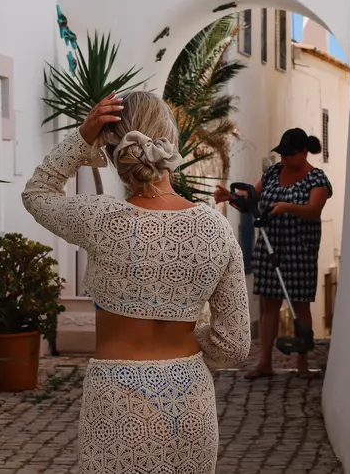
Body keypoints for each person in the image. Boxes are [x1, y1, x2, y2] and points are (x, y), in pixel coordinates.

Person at [23, 91, 250, 474]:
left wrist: (82, 137)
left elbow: (38, 193)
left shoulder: (102, 218)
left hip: (117, 398)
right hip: (189, 399)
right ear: (172, 144)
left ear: (112, 152)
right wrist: (185, 333)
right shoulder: (216, 229)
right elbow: (234, 347)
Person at [214, 127, 331, 379]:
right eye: (282, 153)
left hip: (300, 251)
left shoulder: (317, 179)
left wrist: (287, 207)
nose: (284, 158)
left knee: (300, 305)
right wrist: (230, 197)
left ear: (303, 152)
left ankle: (302, 363)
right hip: (269, 247)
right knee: (269, 305)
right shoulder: (273, 172)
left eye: (289, 154)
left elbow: (313, 210)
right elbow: (251, 199)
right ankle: (264, 362)